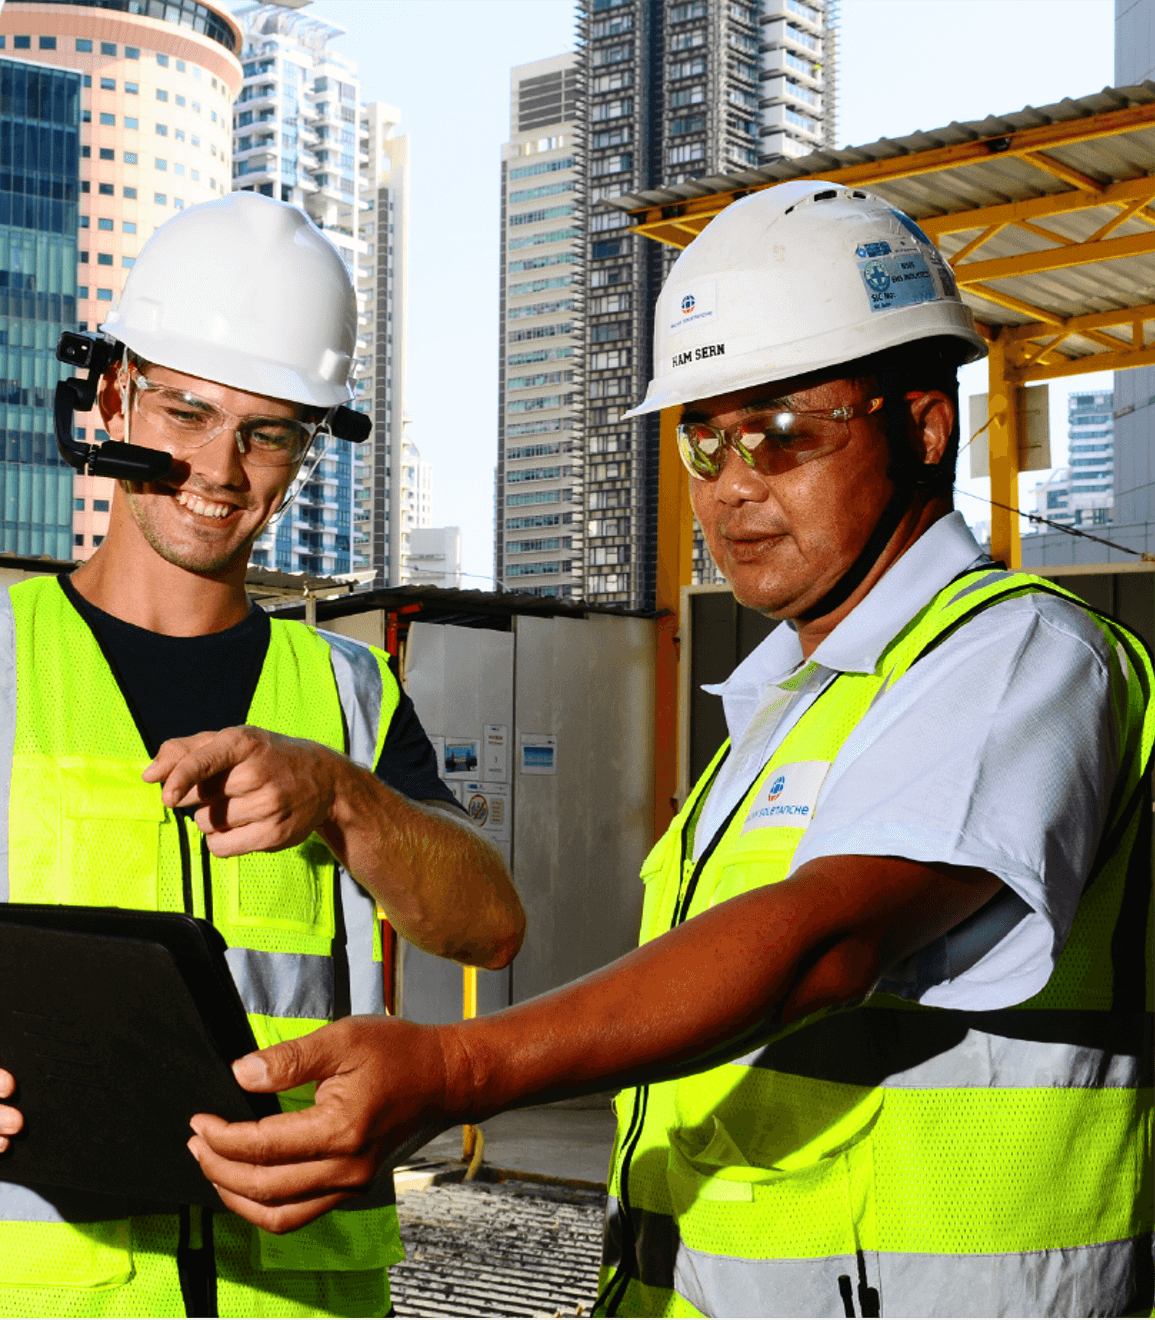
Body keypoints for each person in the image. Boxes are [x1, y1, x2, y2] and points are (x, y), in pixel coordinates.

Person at [186, 180, 1155, 1319]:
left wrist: (457, 1069)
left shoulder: (1021, 657)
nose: (734, 485)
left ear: (922, 426)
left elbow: (821, 947)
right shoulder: (786, 710)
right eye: (706, 436)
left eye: (785, 432)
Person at [0, 192, 526, 1320]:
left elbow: (488, 924)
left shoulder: (347, 695)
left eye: (267, 433)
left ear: (306, 450)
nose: (219, 469)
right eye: (185, 412)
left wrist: (345, 800)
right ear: (113, 395)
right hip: (20, 1300)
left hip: (295, 1296)